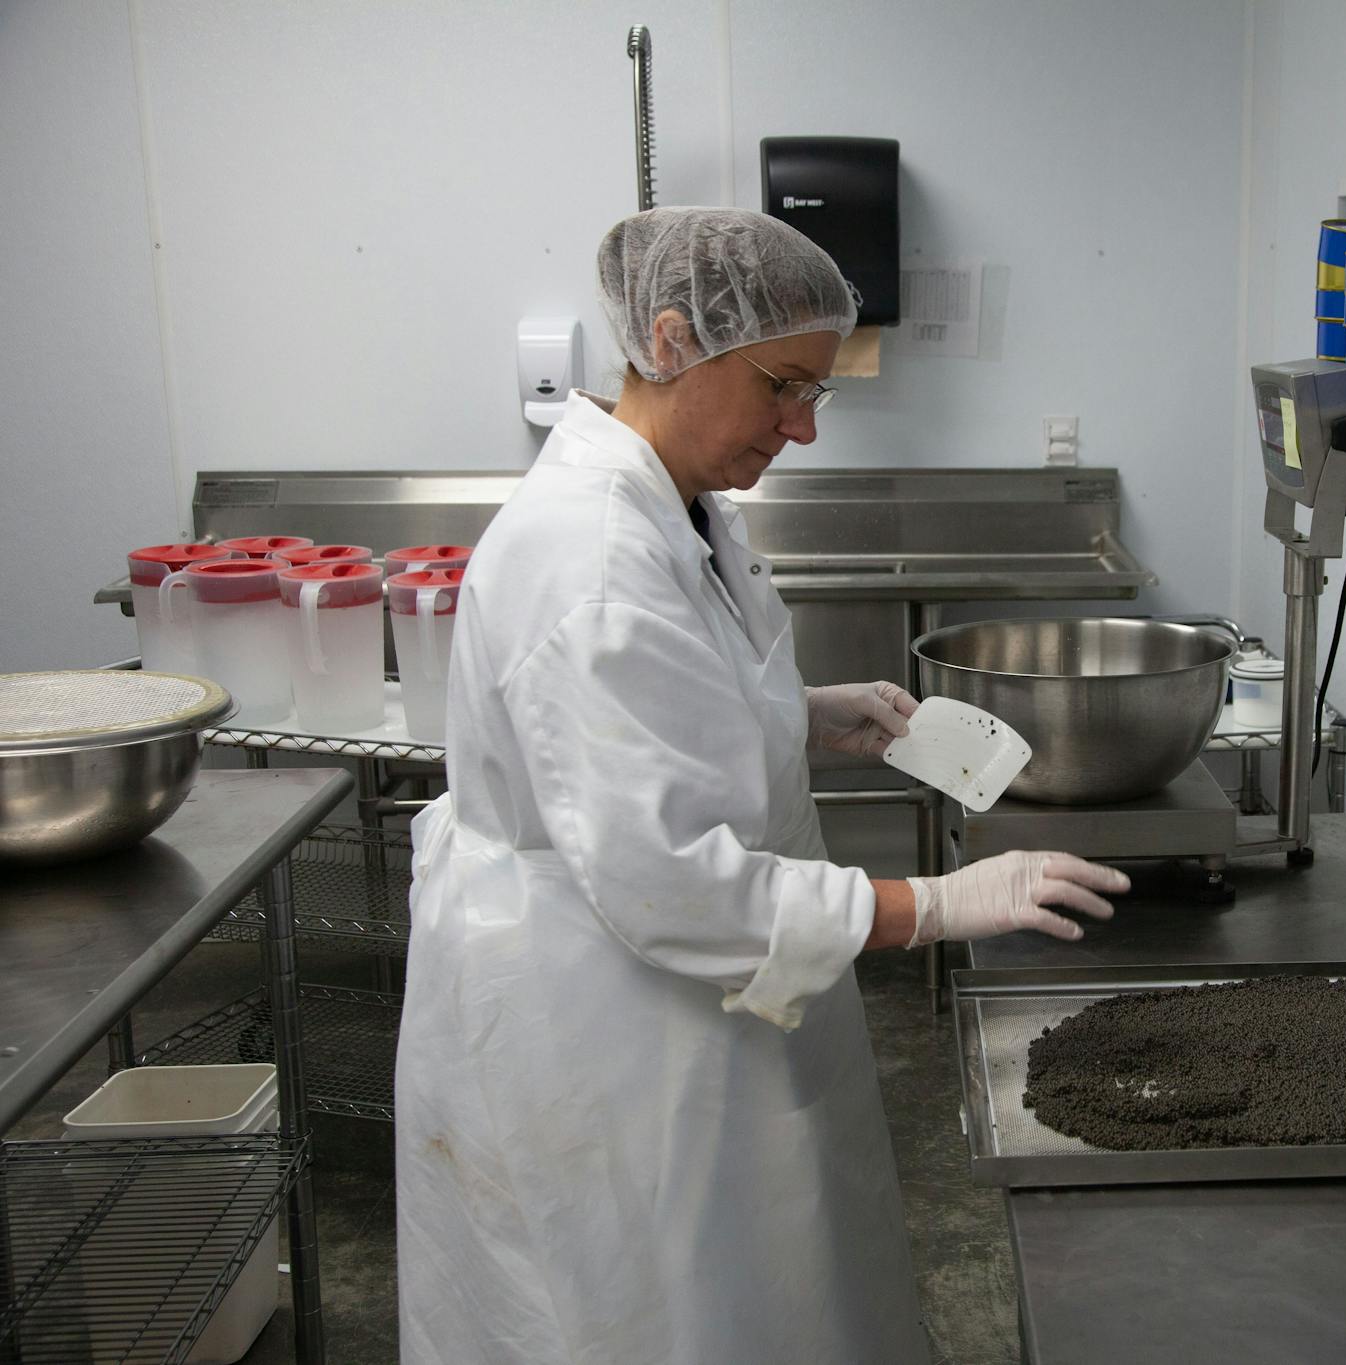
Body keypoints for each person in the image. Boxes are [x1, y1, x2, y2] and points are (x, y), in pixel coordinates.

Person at [392, 206, 1130, 1363]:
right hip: (603, 1018)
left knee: (750, 1292)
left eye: (815, 395)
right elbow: (668, 882)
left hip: (692, 1006)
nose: (802, 428)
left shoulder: (677, 503)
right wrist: (934, 906)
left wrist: (796, 717)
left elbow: (654, 726)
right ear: (675, 342)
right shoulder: (589, 562)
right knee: (647, 1315)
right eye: (784, 387)